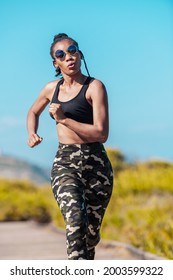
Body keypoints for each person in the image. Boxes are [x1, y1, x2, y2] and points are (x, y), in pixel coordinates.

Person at [27, 33, 113, 260]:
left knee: (90, 235)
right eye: (61, 54)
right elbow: (33, 111)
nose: (69, 57)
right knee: (75, 222)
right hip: (65, 162)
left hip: (97, 165)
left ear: (80, 53)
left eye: (72, 50)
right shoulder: (50, 89)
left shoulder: (95, 87)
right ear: (55, 63)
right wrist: (31, 133)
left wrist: (64, 119)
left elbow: (101, 133)